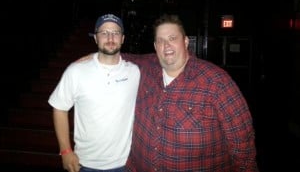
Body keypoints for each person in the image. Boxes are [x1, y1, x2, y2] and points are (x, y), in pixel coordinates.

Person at [78, 14, 259, 171]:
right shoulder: (145, 69)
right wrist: (98, 58)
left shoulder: (216, 81)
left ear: (186, 41)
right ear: (155, 47)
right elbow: (128, 57)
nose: (167, 45)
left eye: (172, 38)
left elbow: (243, 144)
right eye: (161, 41)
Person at [48, 14, 140, 172]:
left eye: (115, 33)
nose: (110, 37)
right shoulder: (76, 71)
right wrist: (65, 150)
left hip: (125, 164)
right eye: (104, 33)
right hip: (85, 164)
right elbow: (59, 108)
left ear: (123, 38)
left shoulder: (135, 72)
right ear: (96, 38)